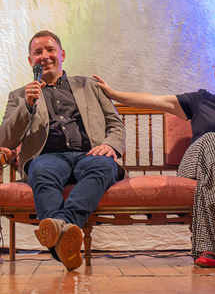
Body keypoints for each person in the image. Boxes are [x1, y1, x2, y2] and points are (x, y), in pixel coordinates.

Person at [93, 49, 215, 268]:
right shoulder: (200, 100)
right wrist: (114, 94)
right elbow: (155, 101)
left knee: (212, 177)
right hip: (196, 162)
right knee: (211, 139)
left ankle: (209, 251)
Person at [0, 30, 127, 271]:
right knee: (40, 170)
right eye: (37, 52)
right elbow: (6, 137)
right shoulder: (18, 96)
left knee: (103, 165)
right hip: (47, 158)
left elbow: (115, 123)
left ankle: (60, 228)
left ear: (62, 54)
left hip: (89, 155)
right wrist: (26, 105)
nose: (45, 56)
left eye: (50, 50)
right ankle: (65, 238)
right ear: (30, 61)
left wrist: (110, 145)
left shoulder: (90, 86)